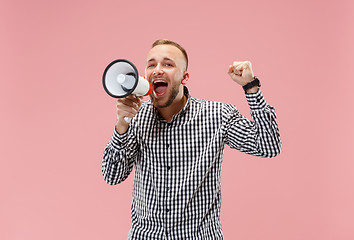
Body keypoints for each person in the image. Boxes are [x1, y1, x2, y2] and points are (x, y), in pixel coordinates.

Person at [102, 39, 281, 239]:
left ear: (184, 77)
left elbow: (269, 146)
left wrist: (251, 86)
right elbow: (112, 176)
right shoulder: (135, 117)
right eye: (152, 64)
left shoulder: (217, 115)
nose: (158, 70)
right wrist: (122, 125)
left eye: (168, 64)